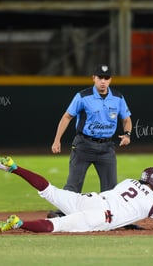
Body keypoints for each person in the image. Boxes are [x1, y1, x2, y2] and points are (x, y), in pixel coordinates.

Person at [0, 157, 153, 233]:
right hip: (99, 216)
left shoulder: (129, 181)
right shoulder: (152, 201)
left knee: (48, 189)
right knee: (55, 225)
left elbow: (128, 208)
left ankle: (13, 167)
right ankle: (19, 223)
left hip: (88, 199)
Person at [49, 64, 132, 218]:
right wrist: (57, 140)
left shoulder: (118, 97)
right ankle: (62, 214)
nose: (103, 81)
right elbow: (67, 116)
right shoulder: (83, 96)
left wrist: (127, 134)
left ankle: (114, 218)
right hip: (83, 146)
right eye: (100, 77)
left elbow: (126, 119)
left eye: (106, 78)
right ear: (93, 78)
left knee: (111, 188)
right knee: (73, 184)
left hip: (107, 147)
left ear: (110, 80)